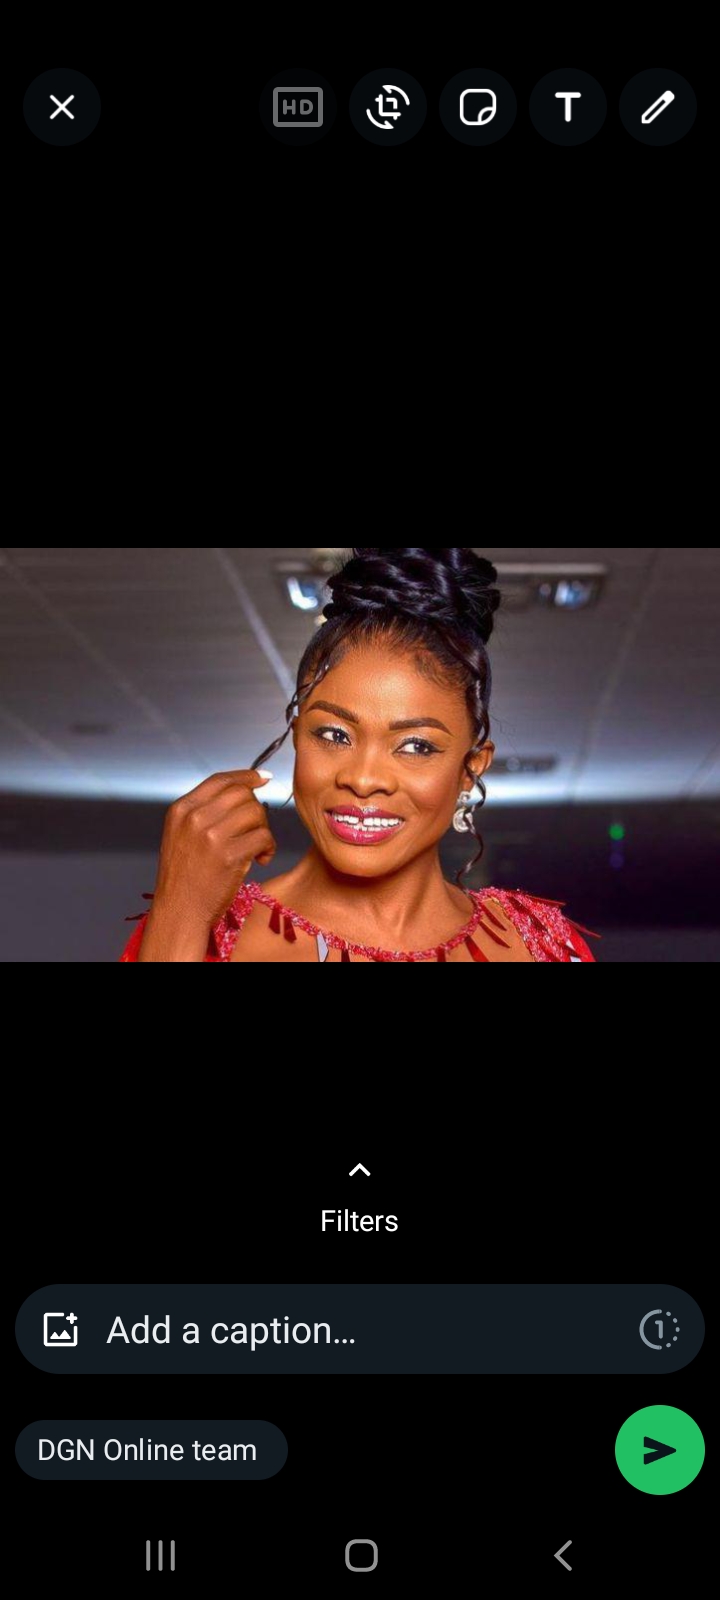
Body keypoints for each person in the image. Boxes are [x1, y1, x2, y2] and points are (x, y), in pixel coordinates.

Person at [120, 547, 600, 963]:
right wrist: (179, 914)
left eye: (416, 746)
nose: (364, 778)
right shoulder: (205, 935)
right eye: (334, 734)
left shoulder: (538, 944)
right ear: (296, 734)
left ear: (469, 770)